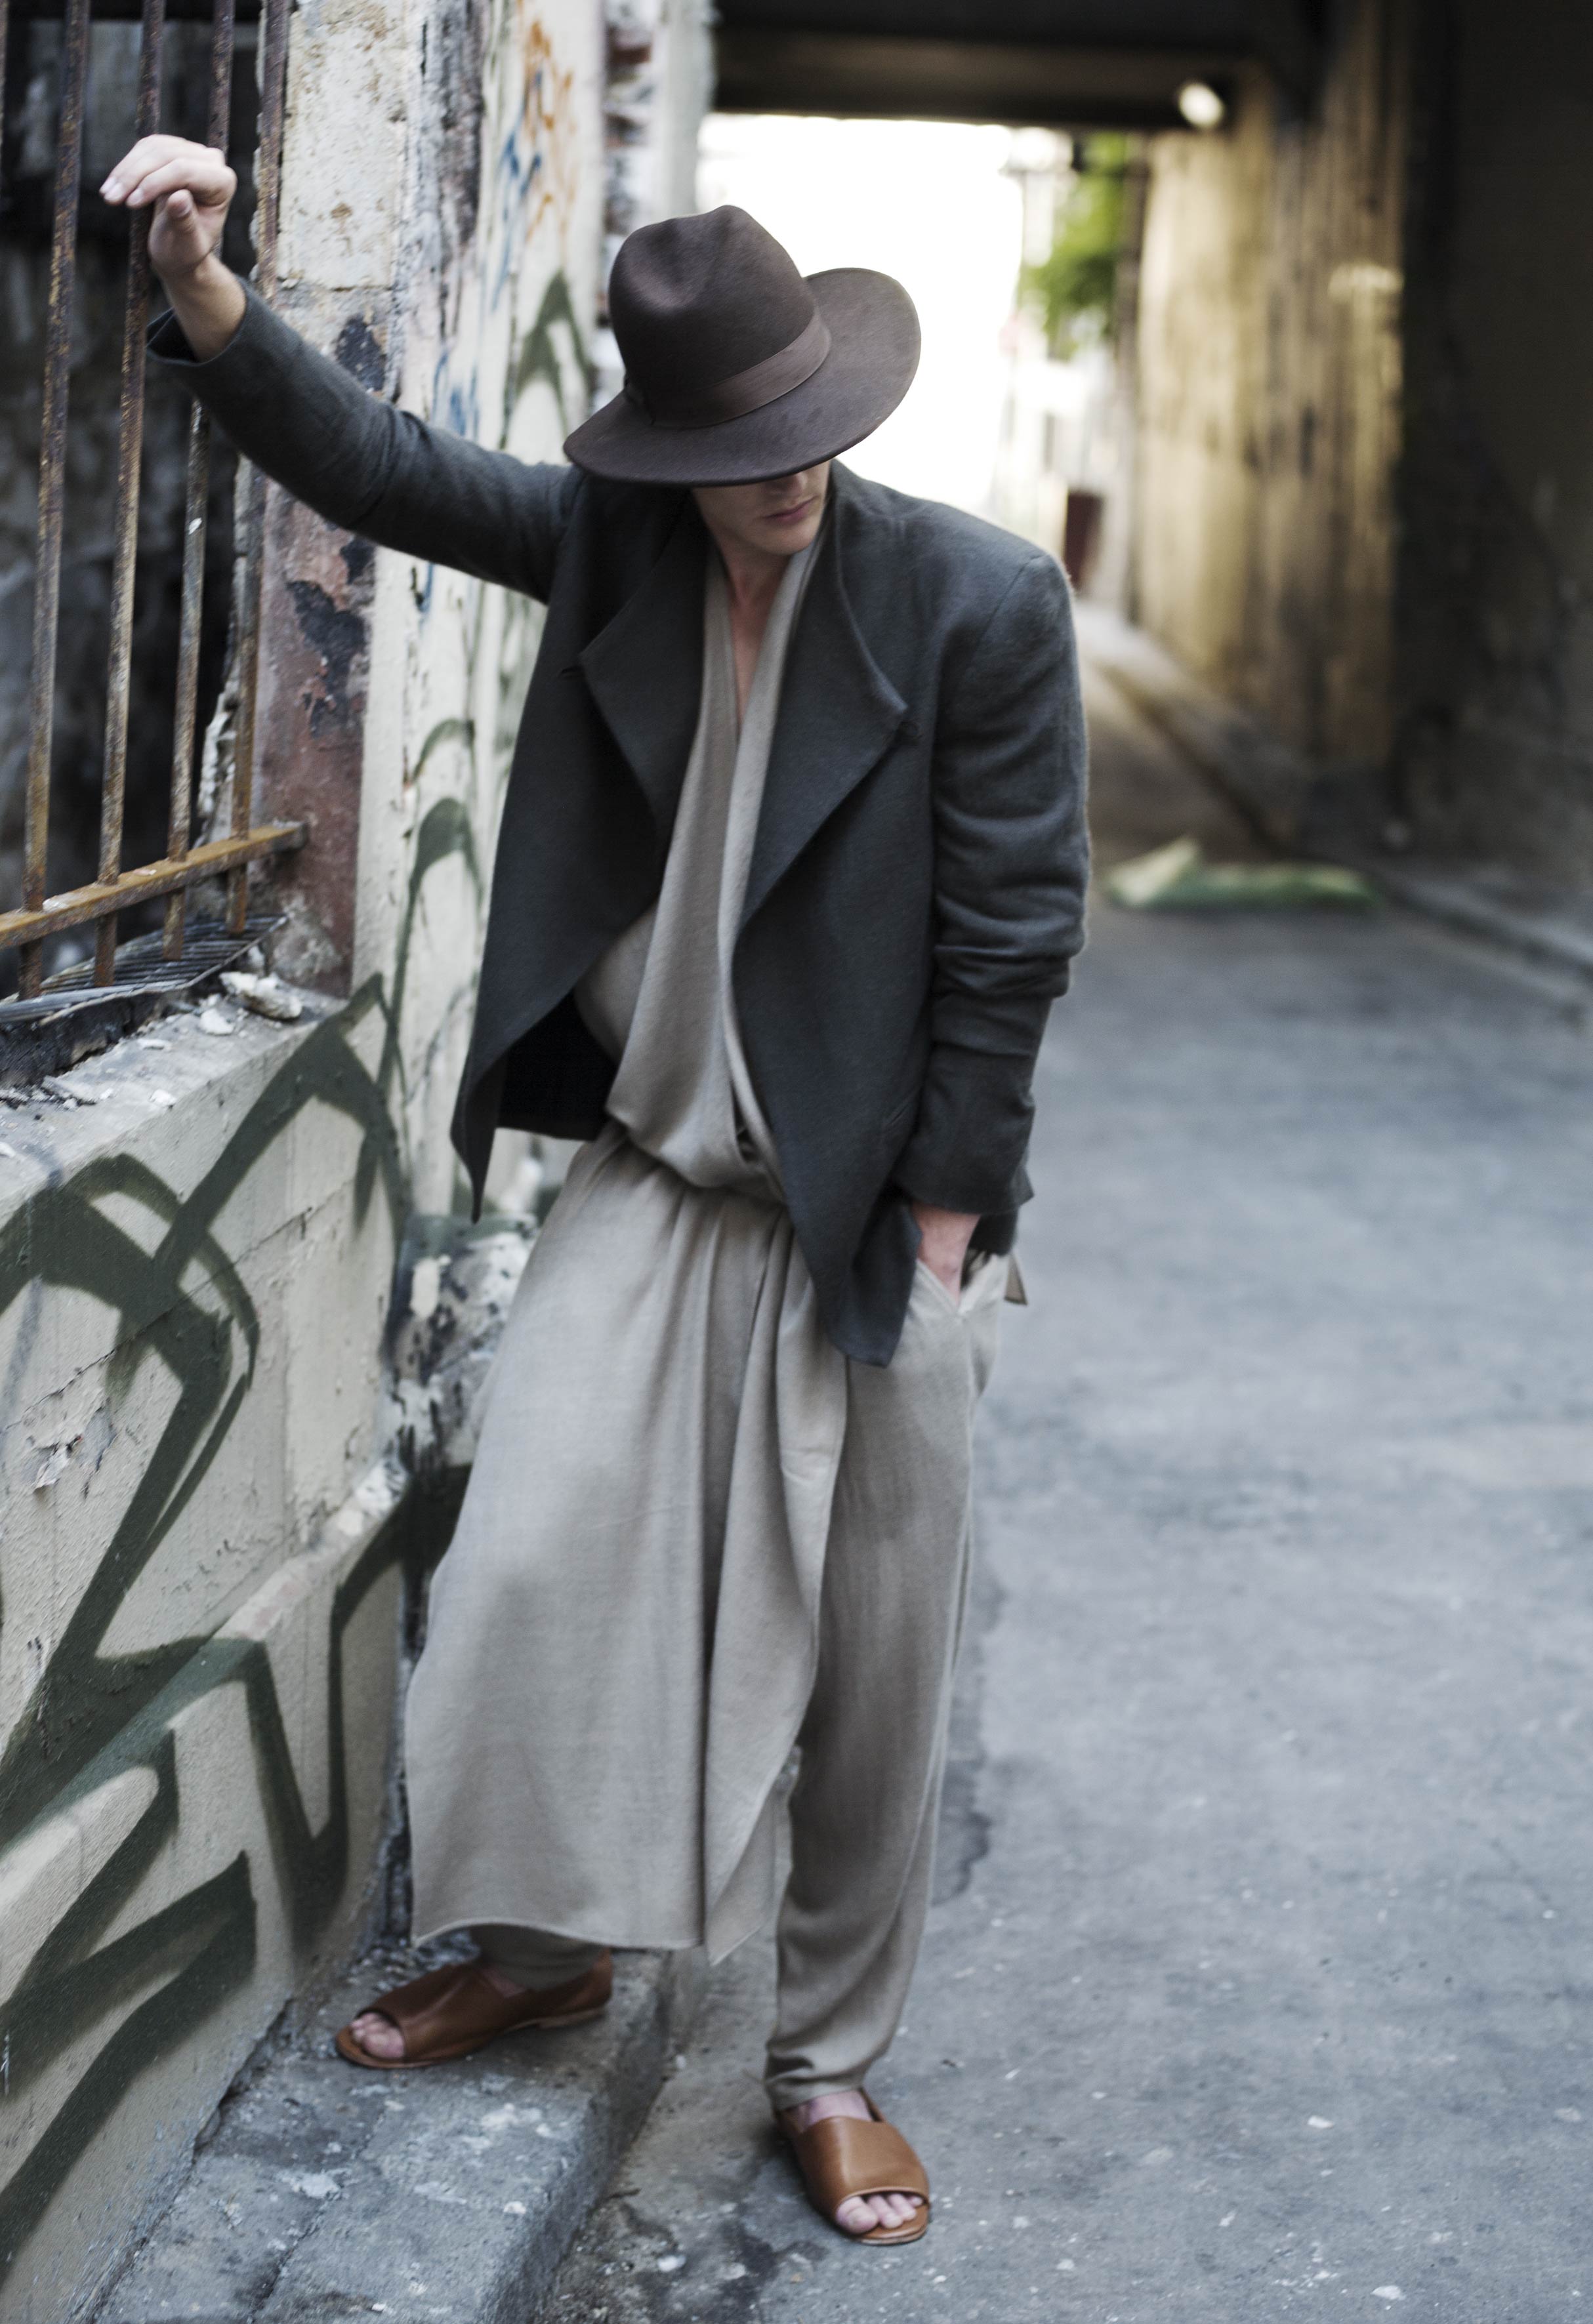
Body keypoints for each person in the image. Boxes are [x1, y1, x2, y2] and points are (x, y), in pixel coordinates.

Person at [104, 132, 1088, 2247]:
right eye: (742, 451)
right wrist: (206, 290)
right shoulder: (619, 550)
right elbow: (374, 468)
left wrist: (941, 1219)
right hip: (660, 1171)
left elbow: (1017, 926)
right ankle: (548, 1947)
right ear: (668, 452)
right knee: (540, 1564)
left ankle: (821, 2063)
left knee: (870, 1661)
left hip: (867, 1196)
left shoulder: (976, 602)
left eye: (810, 434)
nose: (786, 477)